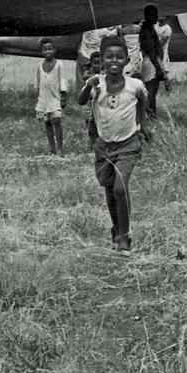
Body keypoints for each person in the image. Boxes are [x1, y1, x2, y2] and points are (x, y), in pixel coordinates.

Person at [77, 38, 151, 256]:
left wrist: (143, 124)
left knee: (120, 188)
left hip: (128, 144)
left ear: (127, 60)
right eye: (109, 57)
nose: (114, 61)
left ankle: (125, 236)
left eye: (119, 57)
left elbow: (142, 101)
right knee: (110, 191)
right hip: (103, 147)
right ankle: (117, 229)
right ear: (101, 60)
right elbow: (81, 101)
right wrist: (88, 86)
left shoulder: (134, 85)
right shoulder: (96, 84)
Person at [34, 38, 68, 155]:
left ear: (54, 50)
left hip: (55, 97)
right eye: (45, 50)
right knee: (47, 123)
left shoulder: (59, 65)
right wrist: (38, 98)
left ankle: (60, 148)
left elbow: (62, 80)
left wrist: (63, 96)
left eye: (50, 49)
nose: (47, 52)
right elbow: (38, 82)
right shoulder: (39, 65)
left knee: (56, 120)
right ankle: (51, 148)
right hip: (44, 98)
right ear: (41, 51)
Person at [138, 5, 169, 116]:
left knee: (152, 90)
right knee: (151, 90)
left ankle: (151, 113)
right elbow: (151, 50)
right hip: (151, 62)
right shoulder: (147, 29)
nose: (155, 17)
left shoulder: (150, 27)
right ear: (146, 16)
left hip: (152, 61)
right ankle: (150, 114)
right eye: (151, 15)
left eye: (155, 14)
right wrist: (158, 68)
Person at [81, 52, 102, 147]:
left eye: (100, 63)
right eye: (95, 63)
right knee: (90, 128)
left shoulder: (105, 75)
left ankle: (99, 145)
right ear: (91, 64)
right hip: (89, 107)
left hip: (100, 108)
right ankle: (93, 145)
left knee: (100, 127)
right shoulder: (88, 75)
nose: (98, 66)